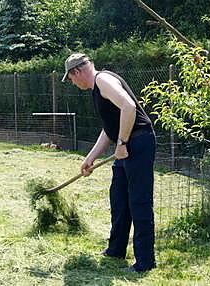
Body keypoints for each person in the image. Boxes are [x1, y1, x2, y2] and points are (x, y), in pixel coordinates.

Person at [62, 53, 156, 272]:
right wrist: (90, 158)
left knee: (139, 202)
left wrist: (122, 143)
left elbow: (129, 107)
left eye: (71, 79)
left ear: (77, 71)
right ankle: (116, 249)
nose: (73, 83)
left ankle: (145, 263)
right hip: (125, 145)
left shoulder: (103, 80)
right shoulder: (97, 89)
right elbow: (109, 129)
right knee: (119, 198)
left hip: (138, 142)